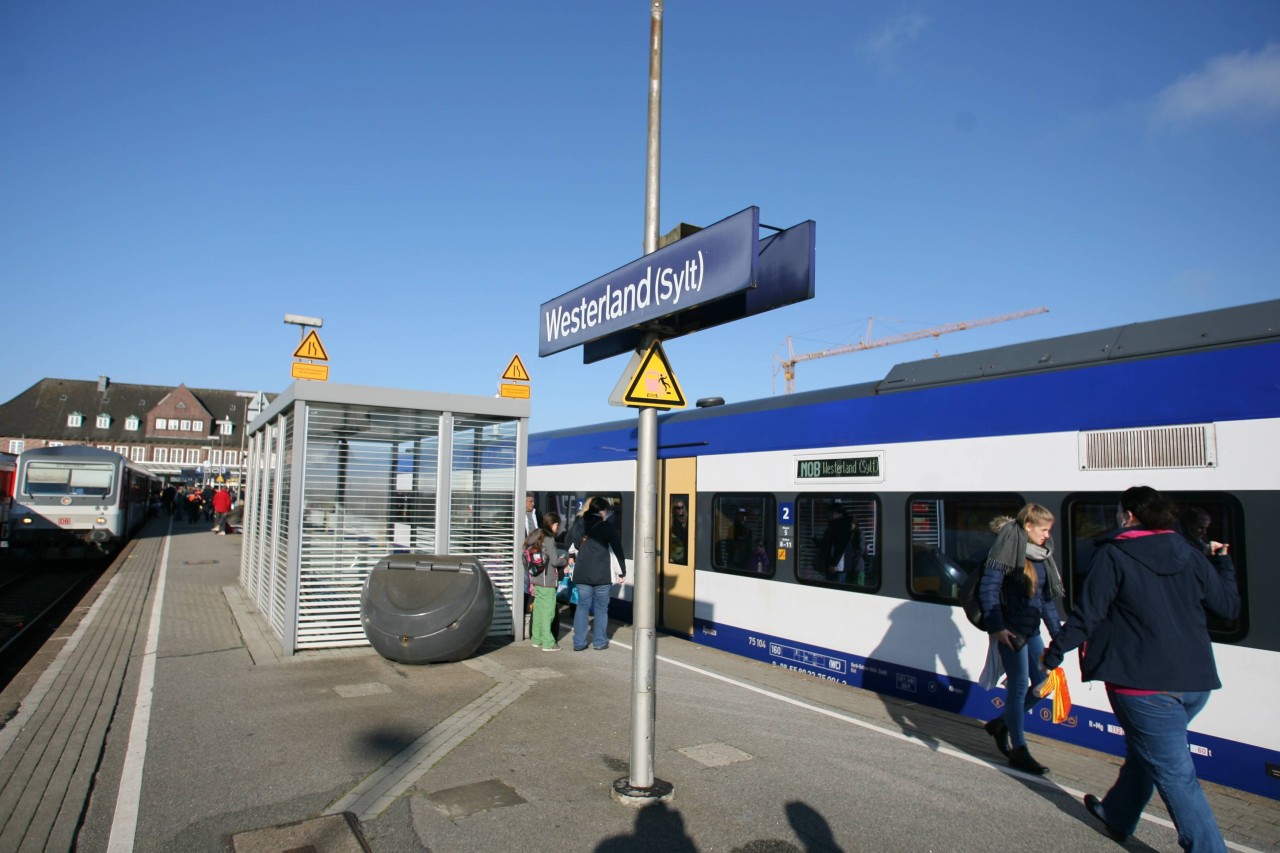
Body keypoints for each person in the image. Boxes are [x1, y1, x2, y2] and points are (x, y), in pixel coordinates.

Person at [1043, 487, 1239, 850]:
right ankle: (1117, 814)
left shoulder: (1114, 554)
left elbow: (1088, 615)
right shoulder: (1190, 552)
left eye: (1119, 512)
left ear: (1129, 516)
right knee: (1147, 749)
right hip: (1196, 682)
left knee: (1176, 776)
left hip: (1142, 684)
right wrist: (1224, 563)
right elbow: (1228, 606)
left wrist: (1053, 655)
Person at [978, 504, 1064, 775]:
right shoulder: (1007, 550)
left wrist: (1059, 637)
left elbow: (1045, 602)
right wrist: (997, 627)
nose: (1047, 535)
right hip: (1011, 630)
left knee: (1044, 684)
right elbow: (989, 589)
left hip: (1032, 631)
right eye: (1044, 529)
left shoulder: (1041, 557)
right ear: (1028, 527)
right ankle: (1019, 749)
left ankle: (1001, 723)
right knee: (1017, 687)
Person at [569, 497, 626, 651]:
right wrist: (622, 572)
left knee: (582, 607)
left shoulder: (580, 523)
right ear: (602, 511)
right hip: (602, 575)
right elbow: (617, 549)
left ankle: (579, 642)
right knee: (601, 609)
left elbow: (572, 543)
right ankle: (599, 642)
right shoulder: (607, 527)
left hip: (582, 573)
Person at [524, 511, 568, 651]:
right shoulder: (549, 539)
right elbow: (555, 561)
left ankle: (536, 639)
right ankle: (548, 643)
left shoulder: (535, 535)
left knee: (538, 611)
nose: (557, 528)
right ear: (553, 524)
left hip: (535, 579)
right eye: (557, 525)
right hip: (547, 581)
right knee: (548, 612)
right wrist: (565, 560)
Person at [818, 503, 863, 584]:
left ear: (837, 513)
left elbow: (841, 546)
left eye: (829, 512)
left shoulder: (842, 525)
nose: (828, 515)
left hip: (837, 566)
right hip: (834, 565)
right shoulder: (836, 524)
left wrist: (834, 563)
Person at [668, 498, 689, 564]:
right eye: (677, 508)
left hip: (686, 551)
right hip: (677, 554)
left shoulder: (687, 519)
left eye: (682, 507)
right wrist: (683, 527)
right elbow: (680, 536)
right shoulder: (672, 521)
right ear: (674, 509)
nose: (680, 510)